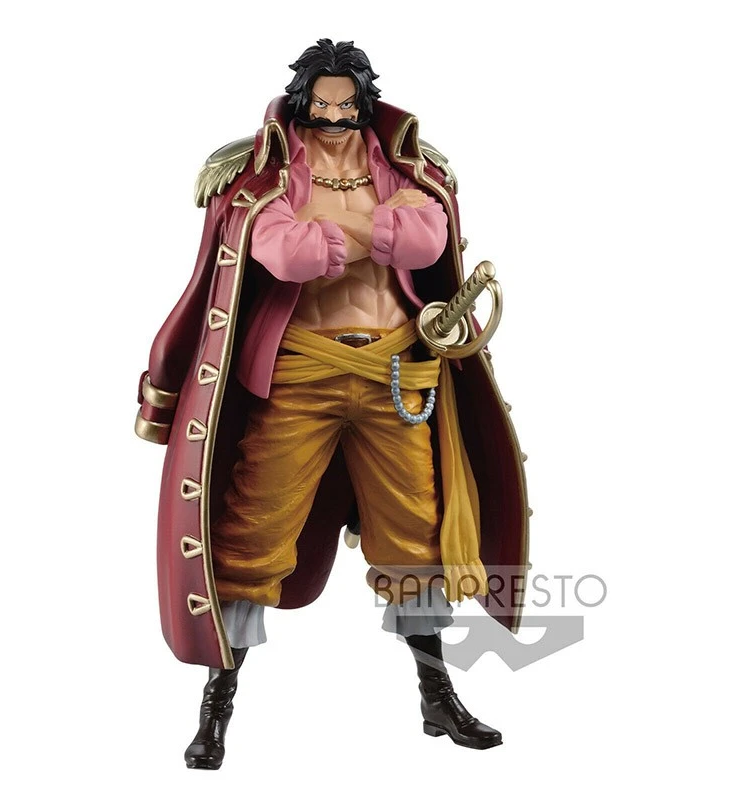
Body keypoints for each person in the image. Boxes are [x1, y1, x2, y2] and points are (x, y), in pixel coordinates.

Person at [135, 39, 529, 770]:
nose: (336, 117)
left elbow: (426, 242)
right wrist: (375, 230)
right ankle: (217, 706)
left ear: (364, 102)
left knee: (417, 536)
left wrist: (334, 231)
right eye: (324, 104)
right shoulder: (257, 175)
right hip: (299, 373)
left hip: (396, 374)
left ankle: (437, 696)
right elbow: (285, 255)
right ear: (304, 101)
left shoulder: (416, 168)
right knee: (252, 535)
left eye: (348, 105)